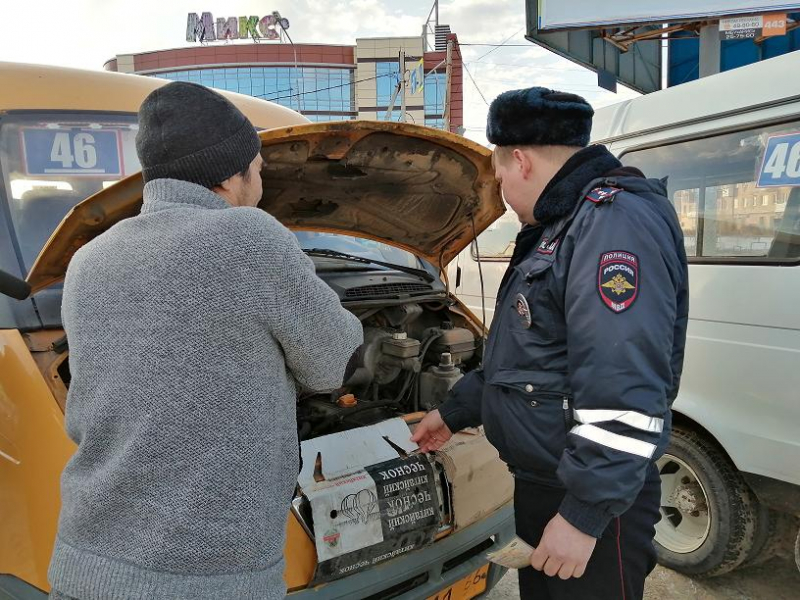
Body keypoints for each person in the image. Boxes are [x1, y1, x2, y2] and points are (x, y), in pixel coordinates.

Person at [48, 82, 363, 600]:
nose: (260, 180)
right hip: (208, 579)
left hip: (86, 565)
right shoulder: (250, 237)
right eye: (258, 167)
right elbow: (335, 362)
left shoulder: (87, 260)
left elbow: (86, 412)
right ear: (228, 174)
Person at [412, 87, 689, 599]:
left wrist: (584, 516)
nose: (502, 194)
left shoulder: (611, 223)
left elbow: (625, 386)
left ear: (520, 161)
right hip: (550, 484)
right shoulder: (560, 225)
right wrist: (455, 412)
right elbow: (530, 354)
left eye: (499, 180)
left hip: (587, 499)